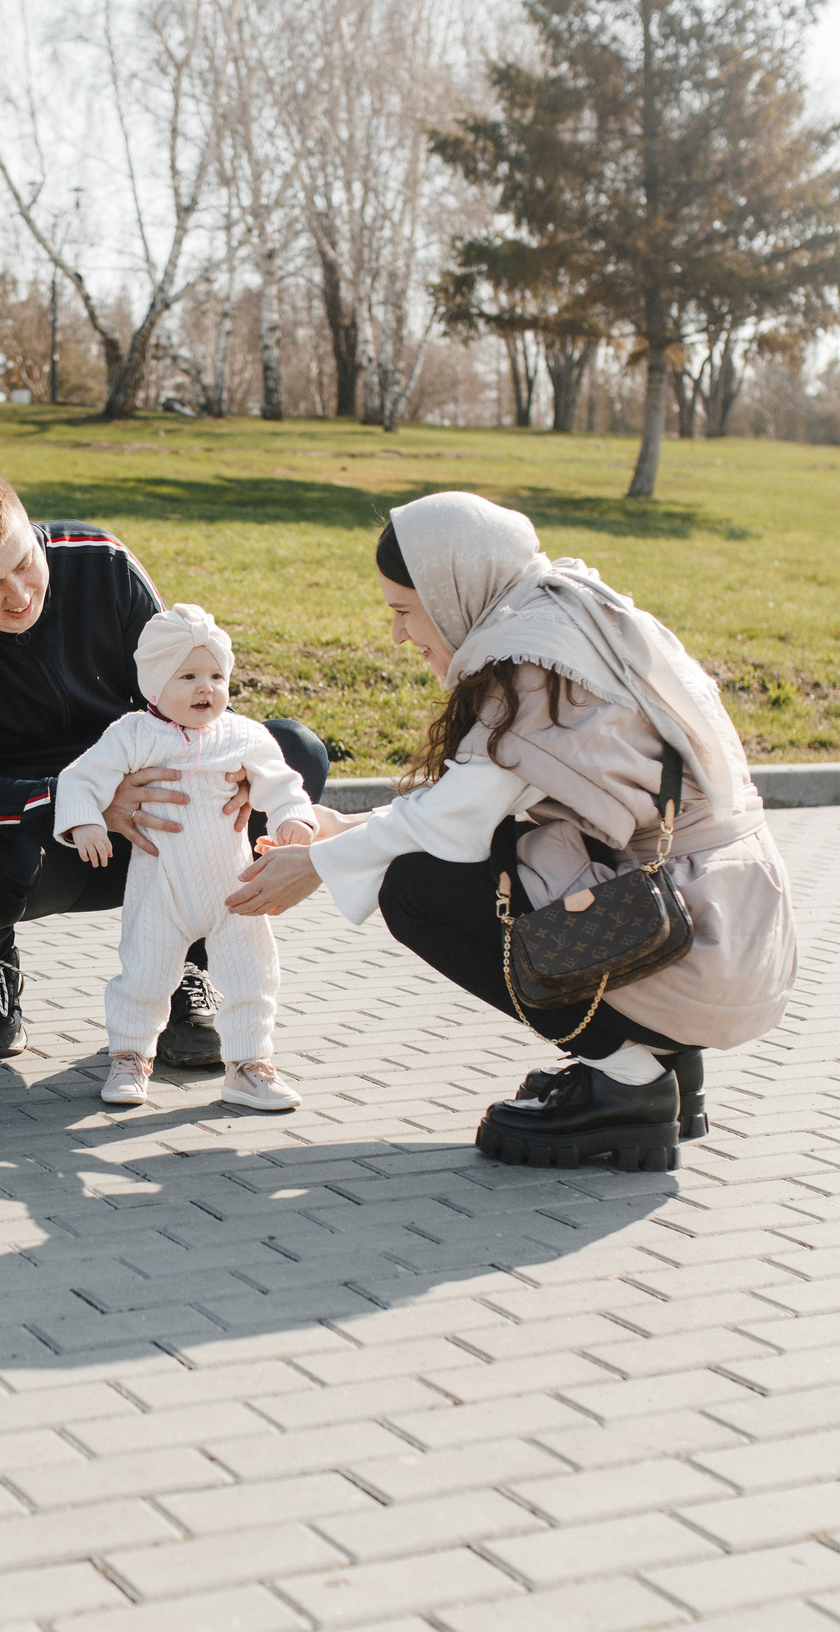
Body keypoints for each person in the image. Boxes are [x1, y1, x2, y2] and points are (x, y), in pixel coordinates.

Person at [227, 491, 798, 1170]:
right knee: (503, 852)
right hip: (725, 923)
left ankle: (630, 1084)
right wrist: (340, 829)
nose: (398, 635)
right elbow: (474, 802)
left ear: (451, 589)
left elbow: (452, 825)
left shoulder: (533, 668)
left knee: (416, 889)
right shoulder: (568, 616)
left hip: (697, 940)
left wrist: (318, 865)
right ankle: (665, 1062)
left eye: (404, 610)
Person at [0, 465, 333, 1060]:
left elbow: (183, 684)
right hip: (43, 836)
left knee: (294, 752)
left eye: (24, 563)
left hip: (158, 818)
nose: (18, 596)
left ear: (31, 530)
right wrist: (78, 799)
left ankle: (190, 967)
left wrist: (234, 768)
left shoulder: (100, 560)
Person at [56, 605, 317, 1110]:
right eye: (189, 676)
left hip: (233, 887)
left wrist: (293, 819)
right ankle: (130, 1056)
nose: (206, 688)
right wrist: (84, 821)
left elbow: (281, 781)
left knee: (253, 972)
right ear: (155, 685)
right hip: (160, 889)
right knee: (144, 974)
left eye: (217, 676)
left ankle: (248, 1066)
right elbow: (81, 778)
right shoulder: (134, 734)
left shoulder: (242, 735)